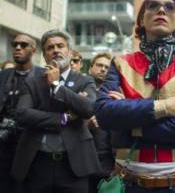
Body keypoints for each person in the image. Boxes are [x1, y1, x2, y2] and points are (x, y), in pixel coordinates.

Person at [95, 0, 175, 193]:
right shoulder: (120, 63)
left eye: (170, 7)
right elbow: (104, 114)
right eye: (153, 5)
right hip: (129, 182)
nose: (161, 10)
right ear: (141, 20)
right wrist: (163, 107)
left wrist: (129, 123)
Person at [11, 29, 100, 193]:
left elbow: (88, 108)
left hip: (74, 166)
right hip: (36, 164)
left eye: (60, 46)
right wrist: (64, 118)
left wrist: (57, 86)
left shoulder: (84, 80)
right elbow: (23, 114)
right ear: (44, 55)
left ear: (69, 51)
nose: (56, 50)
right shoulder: (32, 82)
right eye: (50, 48)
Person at [0, 34, 39, 193]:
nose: (18, 48)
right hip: (3, 145)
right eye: (15, 44)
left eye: (23, 45)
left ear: (33, 50)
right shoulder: (3, 75)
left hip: (29, 143)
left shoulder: (42, 75)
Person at [88, 52, 114, 193]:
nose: (103, 69)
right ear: (90, 68)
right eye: (99, 65)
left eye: (106, 67)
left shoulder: (115, 94)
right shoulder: (79, 91)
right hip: (83, 160)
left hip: (108, 162)